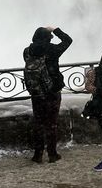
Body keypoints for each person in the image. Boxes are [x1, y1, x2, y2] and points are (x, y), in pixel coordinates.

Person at [23, 26, 73, 163]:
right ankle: (52, 154)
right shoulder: (53, 50)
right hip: (52, 92)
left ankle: (37, 155)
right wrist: (56, 29)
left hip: (36, 92)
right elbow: (68, 40)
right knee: (51, 123)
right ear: (48, 38)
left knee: (39, 123)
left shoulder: (27, 51)